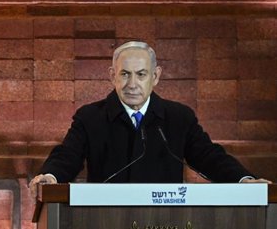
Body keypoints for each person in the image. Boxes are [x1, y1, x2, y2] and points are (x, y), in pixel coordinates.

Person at [29, 41, 270, 193]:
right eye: (124, 74)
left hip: (165, 227)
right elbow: (67, 156)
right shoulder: (90, 117)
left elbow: (210, 158)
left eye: (141, 74)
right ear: (112, 75)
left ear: (155, 76)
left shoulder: (179, 117)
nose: (132, 84)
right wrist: (51, 176)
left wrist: (243, 180)